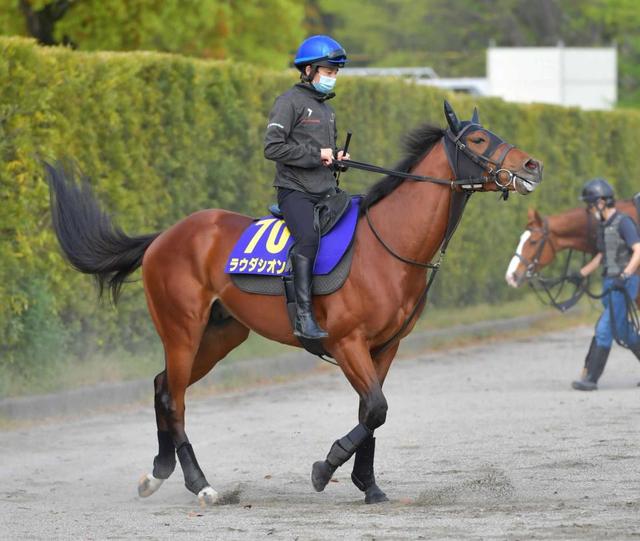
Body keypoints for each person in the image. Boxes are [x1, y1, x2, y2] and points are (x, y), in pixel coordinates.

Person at [263, 35, 349, 340]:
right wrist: (317, 156)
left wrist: (337, 158)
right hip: (295, 192)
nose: (332, 77)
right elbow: (272, 148)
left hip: (325, 191)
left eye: (335, 72)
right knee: (309, 240)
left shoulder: (327, 110)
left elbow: (325, 154)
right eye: (328, 71)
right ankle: (302, 318)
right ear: (309, 70)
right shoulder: (288, 102)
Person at [571, 178, 640, 390]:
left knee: (604, 328)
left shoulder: (624, 222)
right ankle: (590, 377)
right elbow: (602, 255)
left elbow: (638, 250)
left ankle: (591, 379)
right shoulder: (604, 225)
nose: (589, 210)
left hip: (624, 282)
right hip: (610, 281)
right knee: (622, 330)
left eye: (590, 205)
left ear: (601, 202)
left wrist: (626, 274)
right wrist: (581, 273)